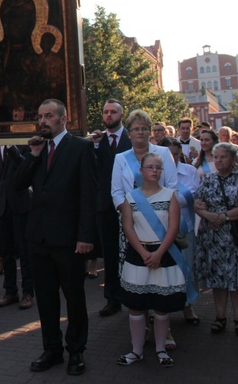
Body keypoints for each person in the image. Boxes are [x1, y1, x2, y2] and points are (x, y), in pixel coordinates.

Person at [14, 99, 97, 376]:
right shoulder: (37, 149)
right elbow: (17, 184)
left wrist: (85, 236)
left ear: (64, 119)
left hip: (70, 240)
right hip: (38, 240)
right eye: (40, 116)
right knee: (46, 299)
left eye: (48, 116)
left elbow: (88, 195)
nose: (43, 121)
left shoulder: (81, 148)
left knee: (74, 298)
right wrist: (33, 155)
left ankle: (76, 351)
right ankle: (52, 349)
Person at [111, 110, 178, 349]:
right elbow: (116, 191)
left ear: (150, 131)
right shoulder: (121, 158)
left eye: (144, 128)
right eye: (136, 128)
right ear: (129, 133)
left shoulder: (162, 154)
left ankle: (165, 329)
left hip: (160, 223)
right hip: (132, 225)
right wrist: (129, 210)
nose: (140, 132)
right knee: (138, 277)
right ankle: (143, 324)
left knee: (160, 278)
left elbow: (172, 186)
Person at [116, 153, 186, 368]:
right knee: (136, 306)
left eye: (158, 167)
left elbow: (173, 227)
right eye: (150, 167)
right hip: (138, 255)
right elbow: (128, 227)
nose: (154, 171)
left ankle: (161, 349)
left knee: (161, 306)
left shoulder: (170, 195)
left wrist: (158, 253)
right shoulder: (130, 197)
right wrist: (144, 252)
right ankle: (136, 351)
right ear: (142, 170)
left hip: (163, 255)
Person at [194, 142, 238, 335]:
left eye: (223, 157)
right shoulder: (209, 179)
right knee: (217, 278)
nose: (219, 161)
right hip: (212, 236)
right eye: (216, 157)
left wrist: (223, 216)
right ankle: (220, 317)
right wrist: (210, 216)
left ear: (233, 159)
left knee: (237, 279)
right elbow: (198, 202)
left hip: (234, 236)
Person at [91, 99, 132, 317]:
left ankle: (134, 297)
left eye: (113, 112)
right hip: (105, 206)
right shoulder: (97, 142)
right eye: (106, 112)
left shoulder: (131, 139)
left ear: (121, 115)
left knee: (132, 252)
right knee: (109, 254)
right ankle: (112, 299)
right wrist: (96, 146)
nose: (109, 115)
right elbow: (94, 171)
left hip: (130, 205)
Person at [0, 141, 33, 310]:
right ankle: (10, 292)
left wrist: (12, 148)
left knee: (24, 251)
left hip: (20, 205)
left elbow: (26, 168)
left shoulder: (24, 145)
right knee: (6, 253)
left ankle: (28, 293)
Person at [159, 137, 201, 325]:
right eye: (168, 154)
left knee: (187, 268)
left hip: (186, 228)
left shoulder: (190, 171)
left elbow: (196, 196)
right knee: (163, 271)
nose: (172, 158)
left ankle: (187, 305)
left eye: (175, 154)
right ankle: (160, 309)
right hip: (160, 229)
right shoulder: (154, 173)